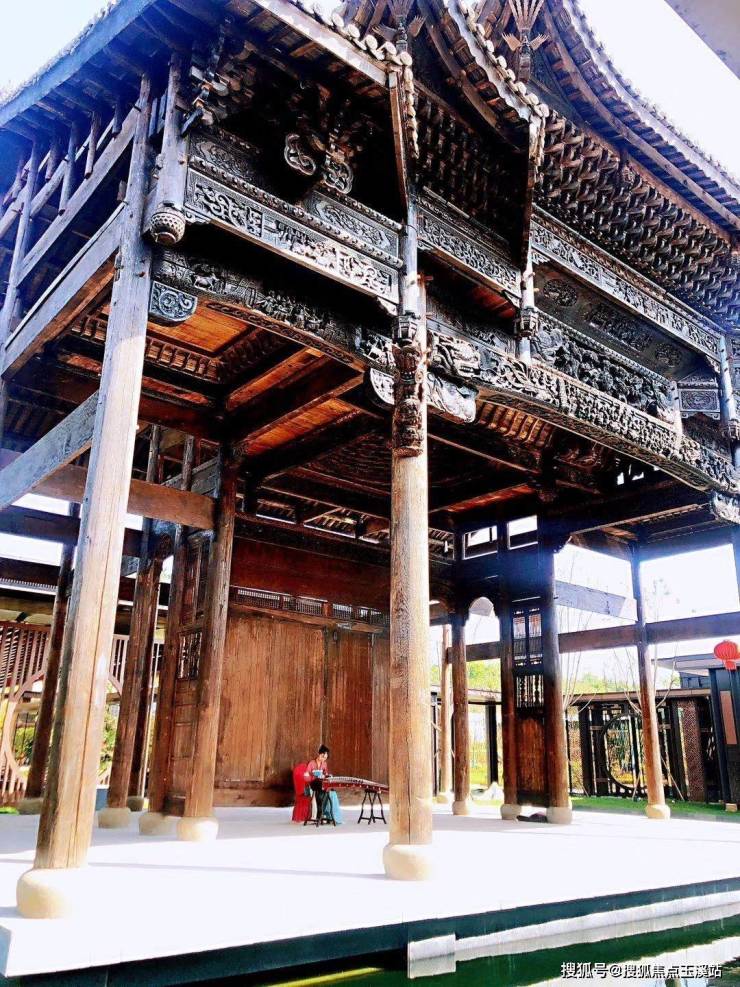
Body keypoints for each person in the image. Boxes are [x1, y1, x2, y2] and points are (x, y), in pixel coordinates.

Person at [305, 744, 342, 824]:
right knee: (318, 794)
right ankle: (318, 816)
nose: (323, 759)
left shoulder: (324, 764)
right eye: (322, 756)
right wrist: (312, 775)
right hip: (313, 784)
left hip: (321, 784)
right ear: (319, 753)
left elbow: (325, 774)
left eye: (325, 758)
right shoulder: (311, 763)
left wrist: (327, 775)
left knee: (330, 792)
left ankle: (325, 814)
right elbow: (306, 776)